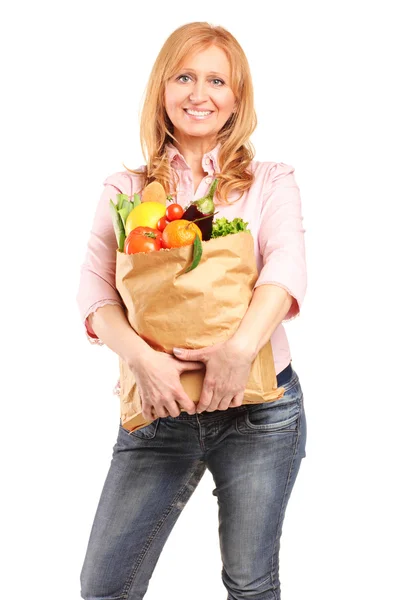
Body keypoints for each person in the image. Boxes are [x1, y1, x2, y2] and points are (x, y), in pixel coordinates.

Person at [77, 21, 307, 600]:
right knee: (105, 586)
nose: (198, 93)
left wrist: (237, 351)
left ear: (236, 98)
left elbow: (285, 271)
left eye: (216, 80)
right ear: (162, 89)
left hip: (260, 411)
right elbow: (94, 290)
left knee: (250, 583)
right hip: (159, 407)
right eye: (183, 76)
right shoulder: (126, 189)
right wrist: (141, 361)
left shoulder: (269, 182)